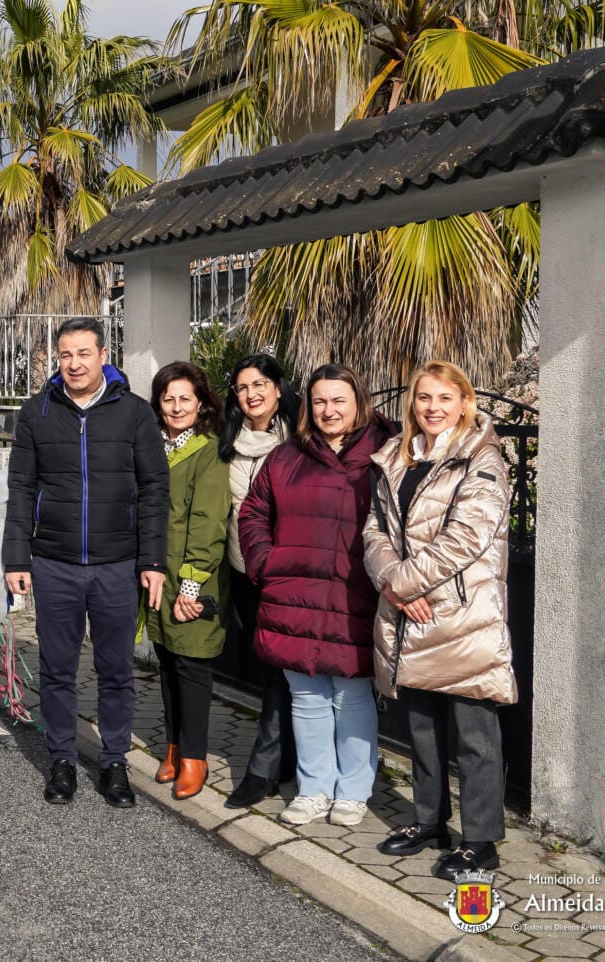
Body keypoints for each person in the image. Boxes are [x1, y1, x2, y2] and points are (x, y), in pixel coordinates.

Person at [3, 317, 169, 809]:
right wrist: (17, 555)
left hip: (117, 564)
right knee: (57, 669)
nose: (74, 364)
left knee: (115, 668)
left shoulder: (135, 414)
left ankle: (114, 760)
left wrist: (152, 559)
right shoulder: (37, 413)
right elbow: (21, 489)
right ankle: (60, 759)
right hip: (53, 562)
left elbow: (155, 489)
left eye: (83, 353)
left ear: (102, 355)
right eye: (65, 355)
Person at [363, 361, 515, 879]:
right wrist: (391, 583)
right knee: (422, 728)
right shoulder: (395, 458)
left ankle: (481, 841)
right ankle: (429, 821)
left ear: (464, 402)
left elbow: (467, 537)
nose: (433, 407)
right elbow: (373, 532)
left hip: (463, 617)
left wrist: (401, 585)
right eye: (424, 398)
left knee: (475, 735)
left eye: (444, 398)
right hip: (412, 615)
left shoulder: (482, 459)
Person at [238, 364, 392, 827]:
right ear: (308, 406)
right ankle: (313, 788)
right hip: (294, 595)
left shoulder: (385, 453)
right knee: (305, 696)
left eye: (339, 400)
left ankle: (353, 790)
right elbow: (253, 514)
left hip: (354, 596)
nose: (329, 410)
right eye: (320, 401)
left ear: (358, 402)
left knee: (351, 694)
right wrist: (266, 563)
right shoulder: (286, 458)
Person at [139, 362, 230, 800]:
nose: (176, 407)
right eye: (168, 399)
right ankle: (172, 748)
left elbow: (209, 521)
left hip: (195, 576)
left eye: (185, 399)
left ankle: (195, 757)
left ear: (201, 403)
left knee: (192, 667)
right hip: (159, 576)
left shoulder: (209, 450)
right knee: (169, 664)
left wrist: (190, 588)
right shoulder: (156, 447)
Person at [219, 354, 301, 809]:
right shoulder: (229, 443)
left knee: (284, 673)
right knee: (270, 669)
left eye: (260, 384)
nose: (251, 394)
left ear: (276, 387)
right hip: (242, 571)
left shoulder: (300, 441)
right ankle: (283, 760)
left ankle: (265, 768)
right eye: (242, 387)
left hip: (286, 574)